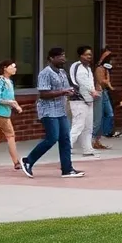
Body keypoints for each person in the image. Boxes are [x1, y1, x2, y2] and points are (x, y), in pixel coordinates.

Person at [20, 47, 84, 179]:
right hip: (48, 111)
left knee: (65, 139)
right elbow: (43, 94)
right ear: (51, 58)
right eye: (60, 56)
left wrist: (70, 91)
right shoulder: (45, 73)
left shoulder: (62, 72)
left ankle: (67, 169)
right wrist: (63, 92)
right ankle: (28, 161)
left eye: (64, 56)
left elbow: (65, 89)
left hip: (60, 110)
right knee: (52, 138)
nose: (63, 59)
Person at [68, 45, 99, 159]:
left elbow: (89, 82)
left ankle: (87, 148)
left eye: (90, 55)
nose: (89, 57)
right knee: (78, 125)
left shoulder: (88, 68)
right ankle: (68, 146)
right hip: (78, 100)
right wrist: (93, 91)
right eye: (87, 55)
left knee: (88, 126)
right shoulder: (78, 67)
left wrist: (92, 92)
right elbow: (82, 82)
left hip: (88, 99)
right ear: (81, 56)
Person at [92, 47, 117, 147]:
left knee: (109, 114)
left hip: (105, 92)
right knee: (98, 118)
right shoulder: (99, 68)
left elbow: (107, 82)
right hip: (99, 92)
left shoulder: (106, 69)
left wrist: (109, 85)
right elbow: (101, 81)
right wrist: (107, 82)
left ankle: (102, 135)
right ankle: (93, 139)